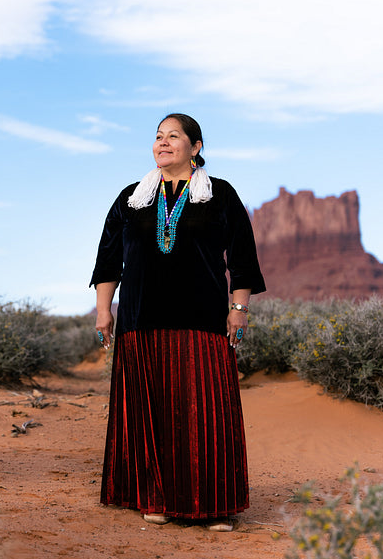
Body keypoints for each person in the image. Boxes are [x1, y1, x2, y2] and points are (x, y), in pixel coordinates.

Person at [90, 113, 265, 531]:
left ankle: (215, 505)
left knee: (203, 413)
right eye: (157, 137)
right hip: (140, 320)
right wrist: (103, 310)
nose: (163, 143)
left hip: (201, 321)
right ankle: (155, 496)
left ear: (196, 147)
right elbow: (109, 258)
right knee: (150, 413)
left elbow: (242, 260)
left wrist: (238, 310)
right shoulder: (133, 198)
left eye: (173, 136)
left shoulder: (219, 195)